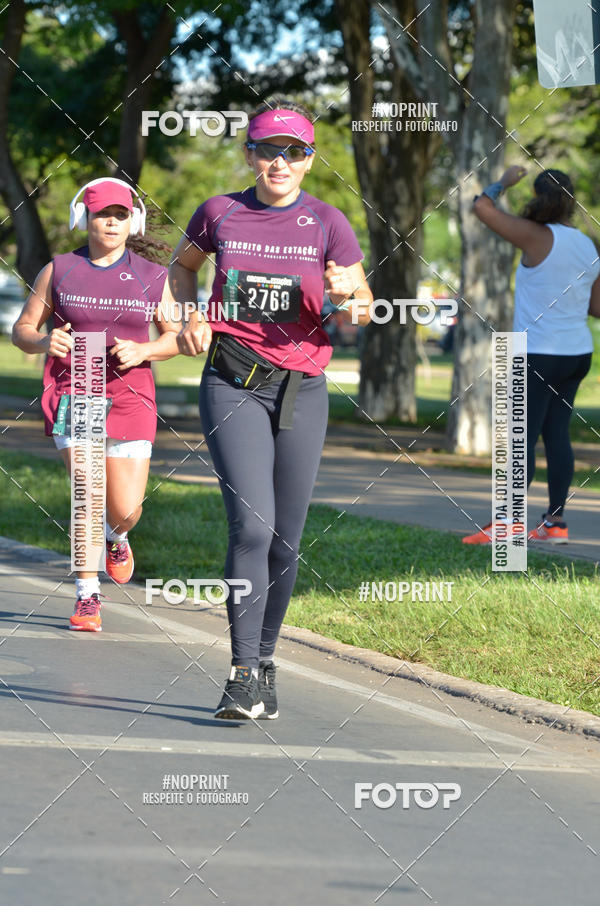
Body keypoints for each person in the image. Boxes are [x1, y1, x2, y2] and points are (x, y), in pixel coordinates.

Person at [170, 97, 372, 720]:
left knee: (286, 541)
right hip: (233, 380)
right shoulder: (219, 212)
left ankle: (265, 659)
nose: (279, 161)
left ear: (309, 160)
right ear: (250, 154)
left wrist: (349, 295)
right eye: (267, 149)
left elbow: (362, 309)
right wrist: (184, 312)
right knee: (251, 528)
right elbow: (181, 270)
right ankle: (239, 673)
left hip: (302, 389)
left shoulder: (330, 223)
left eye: (294, 151)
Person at [12, 177, 180, 630]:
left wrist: (144, 351)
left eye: (120, 214)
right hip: (78, 385)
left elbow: (175, 337)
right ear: (84, 218)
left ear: (133, 221)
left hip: (131, 395)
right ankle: (88, 594)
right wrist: (46, 340)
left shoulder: (151, 276)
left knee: (125, 507)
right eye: (103, 213)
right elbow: (22, 329)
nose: (111, 221)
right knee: (87, 493)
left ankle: (117, 535)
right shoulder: (60, 269)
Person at [462, 166, 600, 545]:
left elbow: (482, 208)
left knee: (520, 438)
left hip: (539, 352)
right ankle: (555, 524)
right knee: (557, 435)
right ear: (571, 202)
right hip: (577, 354)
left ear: (538, 198)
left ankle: (506, 524)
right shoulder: (587, 244)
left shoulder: (536, 236)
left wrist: (504, 183)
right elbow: (597, 307)